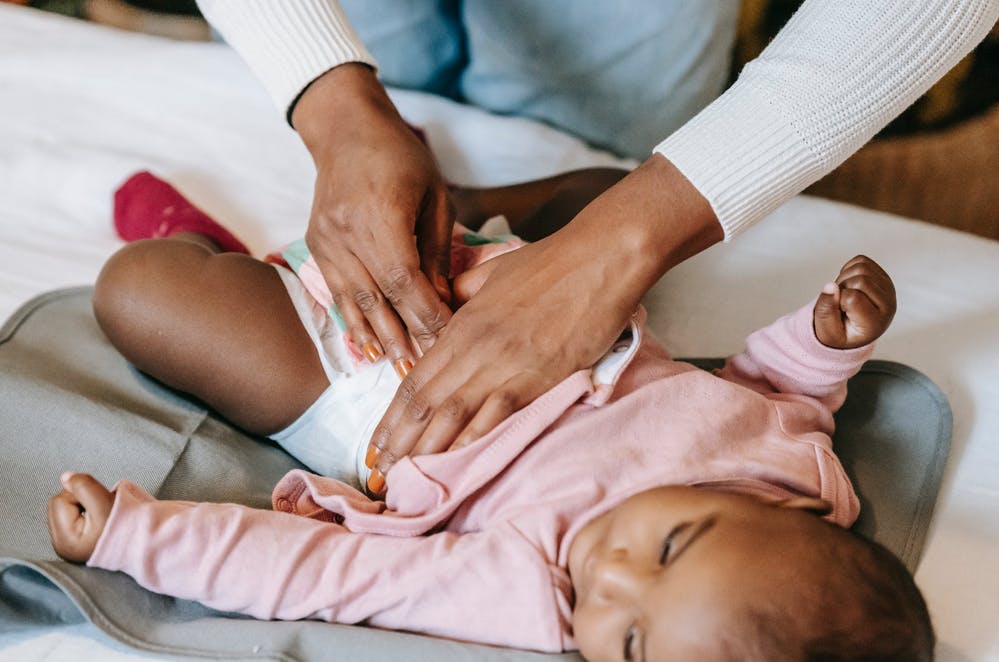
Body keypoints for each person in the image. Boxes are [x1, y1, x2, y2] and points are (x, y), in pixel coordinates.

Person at [47, 171, 932, 659]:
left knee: (144, 294)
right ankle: (456, 205)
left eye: (625, 644)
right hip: (549, 291)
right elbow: (776, 397)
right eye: (672, 545)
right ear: (796, 510)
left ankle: (201, 242)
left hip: (373, 380)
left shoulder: (528, 591)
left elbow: (331, 575)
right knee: (618, 186)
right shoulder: (792, 470)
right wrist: (824, 346)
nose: (612, 572)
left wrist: (140, 538)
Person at [192, 1, 999, 484]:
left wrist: (619, 244)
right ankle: (448, 187)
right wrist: (334, 105)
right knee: (553, 162)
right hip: (502, 285)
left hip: (352, 380)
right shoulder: (764, 485)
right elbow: (770, 401)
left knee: (591, 137)